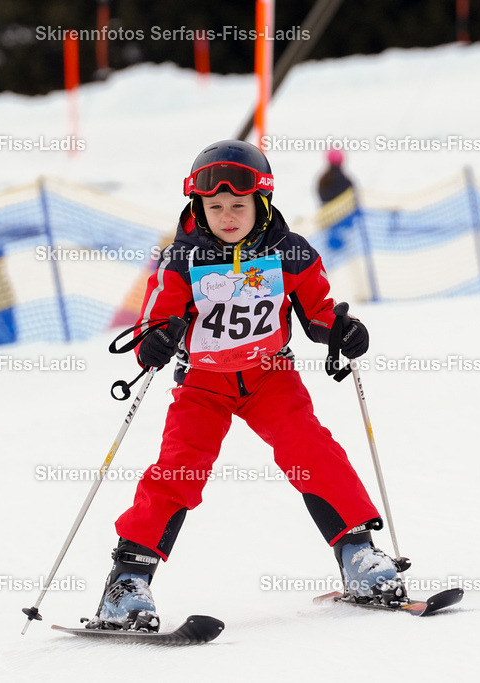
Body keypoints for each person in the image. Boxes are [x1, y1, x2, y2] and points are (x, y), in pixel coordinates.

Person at [91, 140, 405, 632]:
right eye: (214, 206)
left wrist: (342, 330)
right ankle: (127, 581)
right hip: (203, 385)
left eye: (238, 205)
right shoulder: (182, 259)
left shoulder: (289, 252)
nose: (227, 216)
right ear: (198, 206)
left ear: (261, 202)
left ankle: (359, 555)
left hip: (270, 377)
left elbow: (318, 312)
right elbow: (152, 322)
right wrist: (153, 343)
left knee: (311, 449)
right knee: (179, 470)